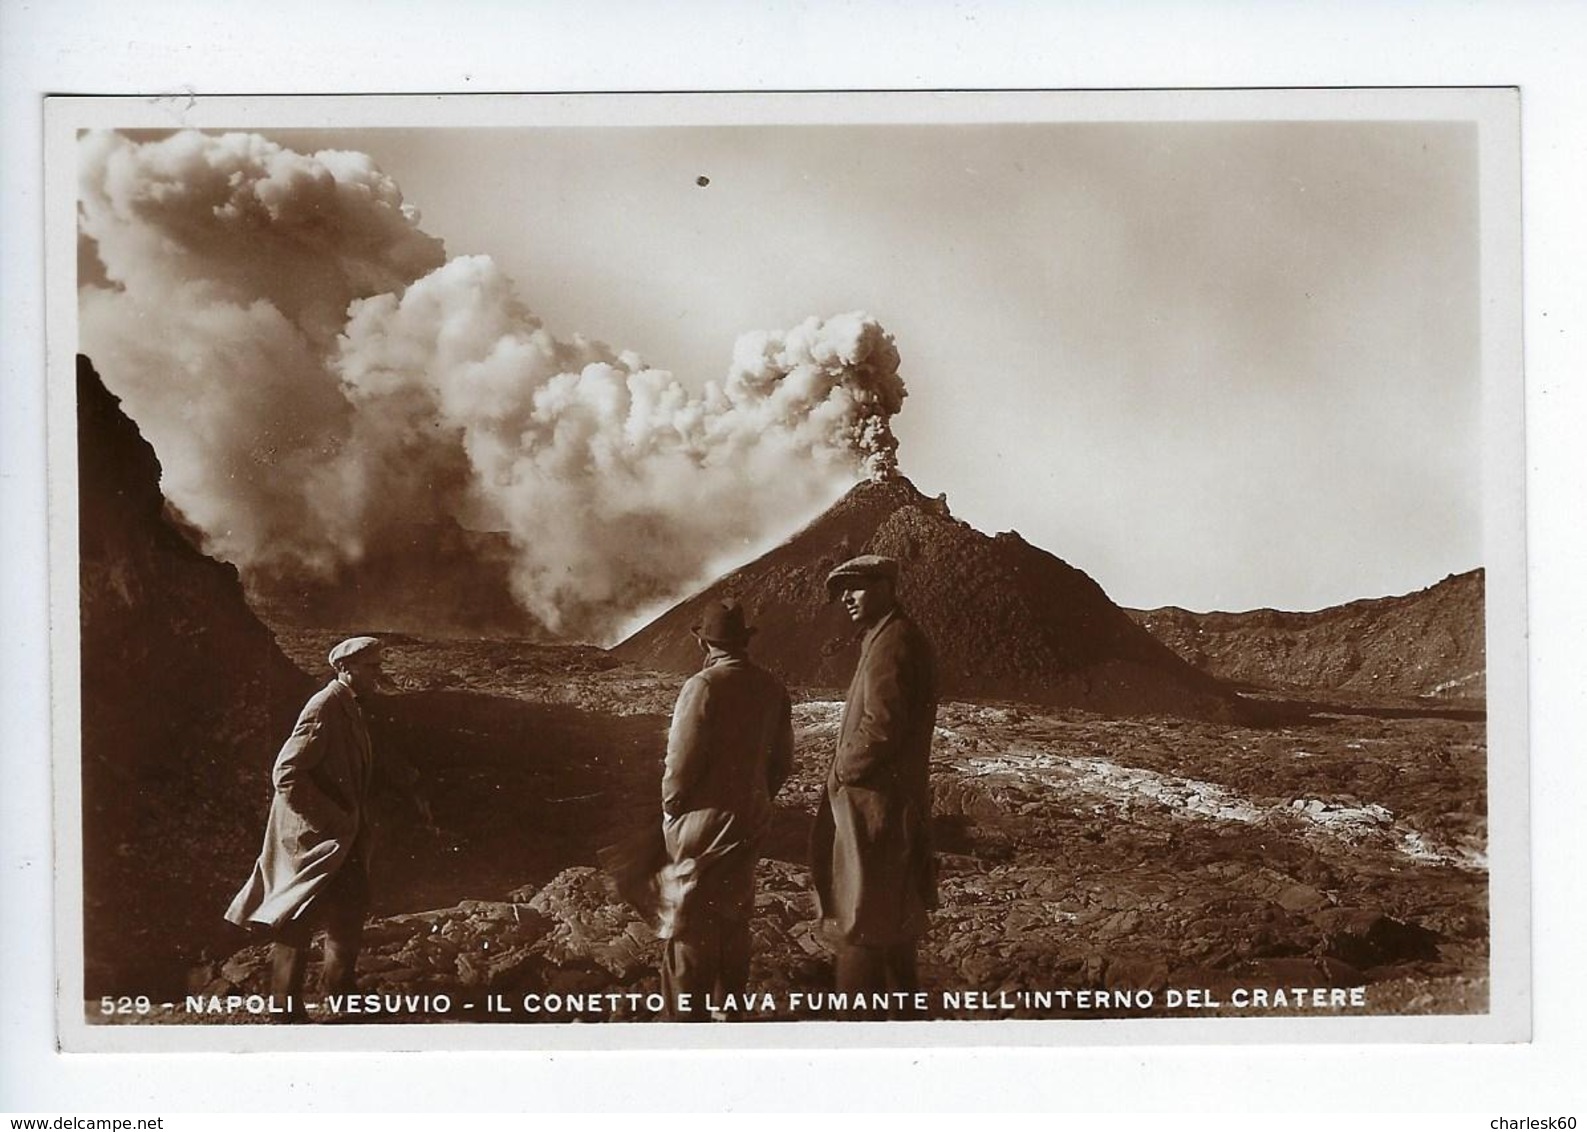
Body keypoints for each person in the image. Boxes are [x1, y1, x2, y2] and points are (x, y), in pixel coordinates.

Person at [224, 635, 429, 1022]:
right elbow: (286, 774)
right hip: (316, 838)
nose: (377, 674)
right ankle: (283, 1009)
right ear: (345, 669)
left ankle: (340, 992)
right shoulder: (324, 708)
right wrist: (330, 819)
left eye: (377, 666)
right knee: (298, 916)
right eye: (370, 667)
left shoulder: (348, 705)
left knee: (351, 907)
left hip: (342, 835)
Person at [810, 554, 938, 1013]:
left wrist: (844, 769)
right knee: (890, 931)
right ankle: (901, 1029)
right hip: (882, 812)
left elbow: (882, 725)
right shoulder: (885, 638)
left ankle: (857, 1037)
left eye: (857, 586)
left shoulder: (893, 643)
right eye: (843, 588)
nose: (846, 596)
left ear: (886, 585)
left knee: (860, 927)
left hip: (876, 816)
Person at [655, 601, 794, 1021]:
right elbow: (781, 762)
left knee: (690, 922)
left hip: (701, 822)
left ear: (704, 641)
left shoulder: (703, 686)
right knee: (733, 918)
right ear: (743, 640)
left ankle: (686, 1024)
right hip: (749, 818)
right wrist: (756, 798)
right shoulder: (772, 687)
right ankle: (728, 1013)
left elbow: (681, 763)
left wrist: (671, 810)